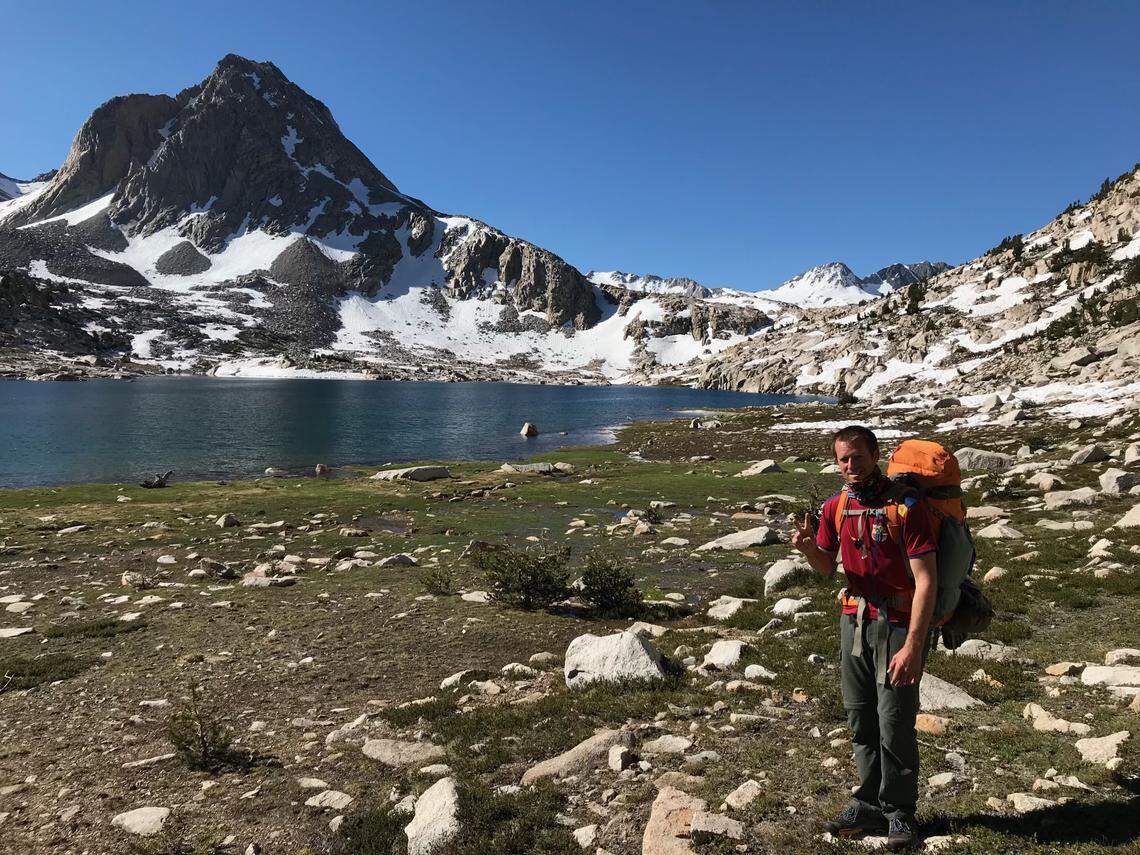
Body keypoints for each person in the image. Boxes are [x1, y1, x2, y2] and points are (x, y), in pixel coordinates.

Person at [791, 425, 937, 851]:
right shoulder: (836, 506)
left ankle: (900, 812)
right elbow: (825, 567)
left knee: (894, 721)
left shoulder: (907, 507)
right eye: (843, 459)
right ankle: (870, 802)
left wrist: (913, 644)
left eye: (857, 457)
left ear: (876, 455)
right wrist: (806, 549)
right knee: (860, 717)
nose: (850, 466)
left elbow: (925, 581)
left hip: (897, 623)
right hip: (853, 619)